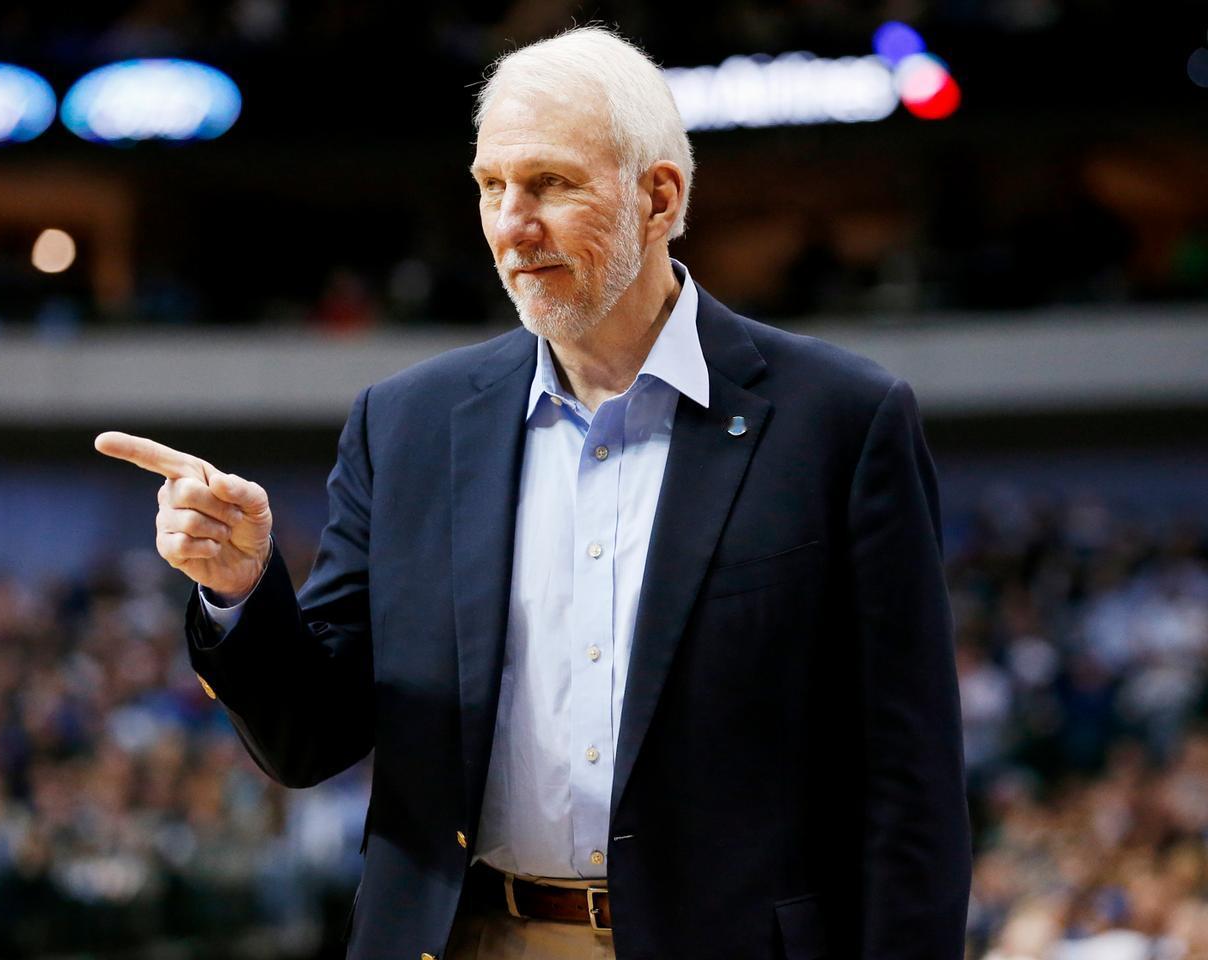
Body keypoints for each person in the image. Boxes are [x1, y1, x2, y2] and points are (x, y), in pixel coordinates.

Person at [96, 25, 971, 960]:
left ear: (659, 198)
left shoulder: (840, 421)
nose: (512, 225)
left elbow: (909, 781)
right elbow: (311, 739)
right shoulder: (407, 426)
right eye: (491, 186)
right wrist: (241, 590)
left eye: (550, 184)